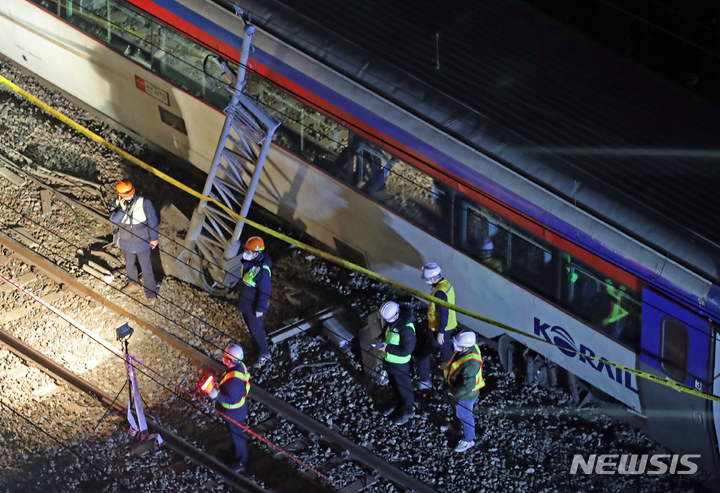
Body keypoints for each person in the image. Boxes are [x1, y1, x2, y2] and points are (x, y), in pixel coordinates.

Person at [109, 180, 159, 305]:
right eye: (126, 196)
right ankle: (133, 283)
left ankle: (151, 294)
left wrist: (154, 238)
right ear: (119, 195)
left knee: (146, 268)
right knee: (129, 265)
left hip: (142, 242)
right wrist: (122, 209)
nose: (130, 197)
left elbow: (153, 222)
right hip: (126, 242)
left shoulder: (144, 202)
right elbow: (114, 220)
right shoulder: (115, 204)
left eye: (131, 194)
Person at [203, 344, 250, 472]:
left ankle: (242, 461)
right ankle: (235, 451)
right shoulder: (239, 366)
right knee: (234, 434)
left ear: (229, 360)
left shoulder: (234, 382)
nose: (223, 358)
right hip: (237, 411)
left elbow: (231, 399)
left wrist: (214, 394)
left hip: (233, 413)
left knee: (237, 435)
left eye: (225, 356)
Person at [374, 301, 417, 425]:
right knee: (395, 386)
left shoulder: (407, 329)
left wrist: (386, 348)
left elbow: (406, 350)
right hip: (390, 362)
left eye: (389, 319)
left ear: (396, 314)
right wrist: (381, 338)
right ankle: (398, 403)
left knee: (405, 390)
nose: (388, 321)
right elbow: (387, 331)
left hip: (400, 366)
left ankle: (407, 410)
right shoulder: (392, 321)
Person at [416, 262, 457, 389]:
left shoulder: (439, 293)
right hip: (448, 326)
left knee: (424, 355)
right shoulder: (446, 284)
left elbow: (444, 313)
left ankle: (425, 381)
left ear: (434, 278)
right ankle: (453, 376)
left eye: (428, 279)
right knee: (447, 353)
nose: (427, 281)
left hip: (439, 328)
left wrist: (441, 332)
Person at [442, 331, 485, 453]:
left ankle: (469, 440)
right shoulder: (470, 348)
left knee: (465, 416)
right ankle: (456, 427)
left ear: (465, 347)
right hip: (460, 391)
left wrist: (454, 393)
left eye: (457, 344)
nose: (455, 345)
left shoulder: (470, 365)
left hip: (465, 396)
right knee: (459, 413)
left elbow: (468, 386)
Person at [236, 236, 272, 367]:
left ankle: (264, 352)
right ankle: (257, 345)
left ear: (256, 253)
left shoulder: (263, 270)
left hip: (253, 307)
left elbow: (265, 291)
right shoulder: (252, 263)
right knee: (251, 327)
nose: (246, 253)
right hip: (246, 303)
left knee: (256, 329)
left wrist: (260, 309)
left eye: (249, 251)